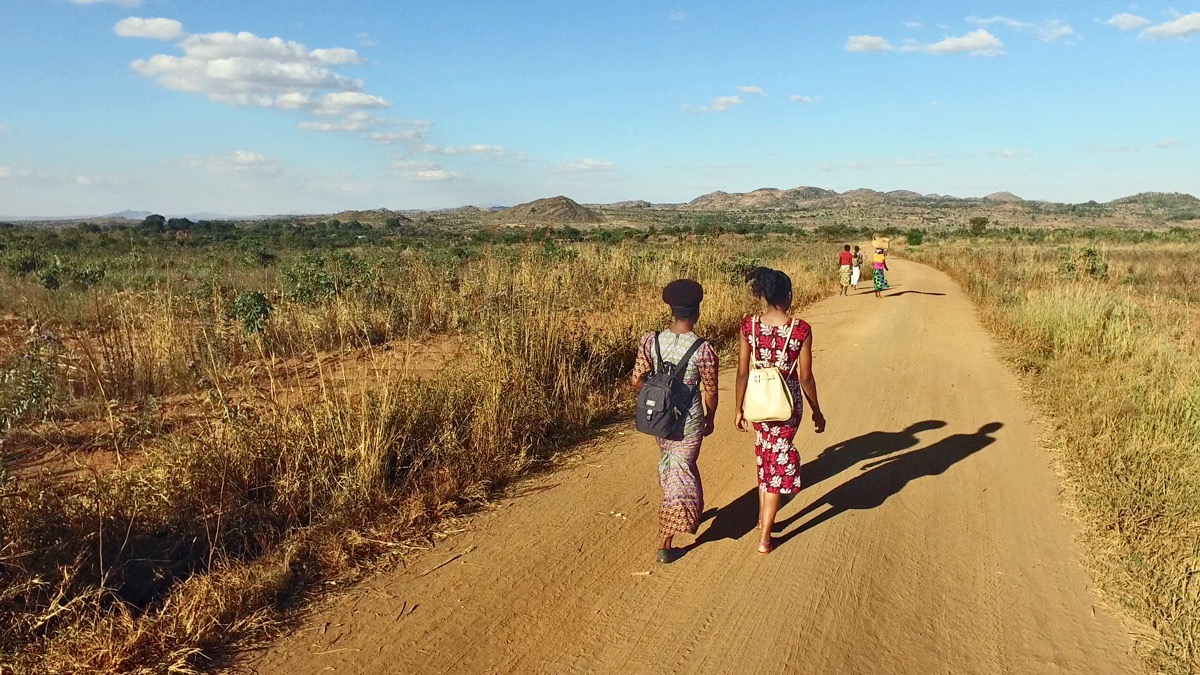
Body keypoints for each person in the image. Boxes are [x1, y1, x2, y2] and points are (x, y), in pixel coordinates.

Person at [734, 267, 825, 555]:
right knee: (776, 464)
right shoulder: (801, 329)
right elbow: (806, 378)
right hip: (786, 405)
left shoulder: (748, 326)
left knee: (765, 457)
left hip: (758, 402)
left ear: (764, 295)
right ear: (788, 295)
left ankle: (763, 519)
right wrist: (817, 410)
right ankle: (764, 537)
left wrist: (738, 408)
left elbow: (742, 372)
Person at [631, 279, 719, 564]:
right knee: (681, 474)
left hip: (660, 421)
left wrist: (660, 391)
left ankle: (689, 512)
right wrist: (710, 418)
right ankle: (666, 543)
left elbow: (636, 379)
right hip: (689, 423)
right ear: (697, 312)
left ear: (672, 310)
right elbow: (711, 390)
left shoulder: (651, 340)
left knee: (674, 467)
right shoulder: (703, 350)